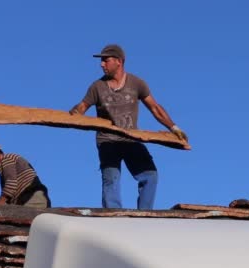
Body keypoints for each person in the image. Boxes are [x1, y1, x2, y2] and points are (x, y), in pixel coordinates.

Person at [69, 44, 188, 210]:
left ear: (118, 61)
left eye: (105, 60)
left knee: (150, 176)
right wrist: (75, 113)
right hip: (107, 141)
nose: (101, 64)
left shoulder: (136, 83)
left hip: (130, 138)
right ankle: (114, 217)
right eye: (101, 61)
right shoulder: (97, 87)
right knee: (111, 178)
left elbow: (155, 107)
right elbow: (82, 106)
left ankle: (144, 216)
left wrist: (174, 127)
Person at [0, 144, 51, 208]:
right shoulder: (7, 162)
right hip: (30, 198)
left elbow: (11, 185)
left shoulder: (6, 159)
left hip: (32, 198)